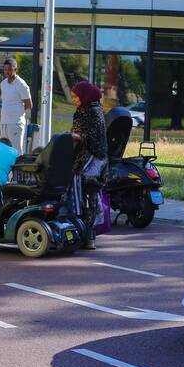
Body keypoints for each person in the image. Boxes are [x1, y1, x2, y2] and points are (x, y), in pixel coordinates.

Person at [69, 81, 108, 250]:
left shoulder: (87, 112)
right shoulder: (96, 109)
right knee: (90, 198)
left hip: (88, 162)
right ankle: (89, 237)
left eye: (76, 97)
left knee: (82, 196)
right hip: (99, 161)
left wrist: (68, 137)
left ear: (84, 96)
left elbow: (82, 136)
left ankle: (84, 234)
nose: (74, 100)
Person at [0, 58, 32, 154]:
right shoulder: (3, 83)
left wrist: (17, 115)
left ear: (15, 69)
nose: (7, 72)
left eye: (9, 69)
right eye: (5, 69)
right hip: (4, 123)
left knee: (16, 151)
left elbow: (29, 104)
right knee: (5, 150)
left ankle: (18, 170)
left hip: (15, 123)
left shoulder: (22, 84)